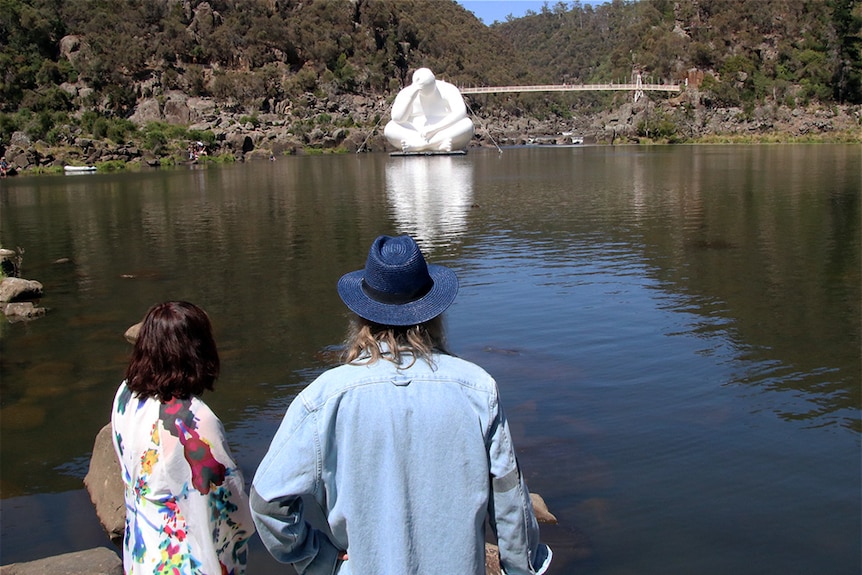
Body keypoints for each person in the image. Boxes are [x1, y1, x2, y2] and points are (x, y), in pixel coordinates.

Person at [251, 234, 552, 575]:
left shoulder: (323, 398)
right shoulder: (477, 390)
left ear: (361, 317)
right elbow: (509, 504)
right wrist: (521, 568)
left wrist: (319, 559)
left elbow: (267, 501)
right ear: (434, 313)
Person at [111, 301, 255, 575]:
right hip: (182, 560)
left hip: (142, 548)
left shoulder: (127, 393)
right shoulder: (193, 421)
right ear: (199, 352)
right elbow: (228, 505)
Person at [384, 68, 475, 152]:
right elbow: (397, 118)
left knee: (467, 124)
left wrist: (434, 129)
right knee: (390, 128)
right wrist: (410, 97)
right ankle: (436, 145)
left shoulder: (448, 89)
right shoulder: (406, 93)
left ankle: (420, 145)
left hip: (443, 130)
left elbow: (461, 112)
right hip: (415, 133)